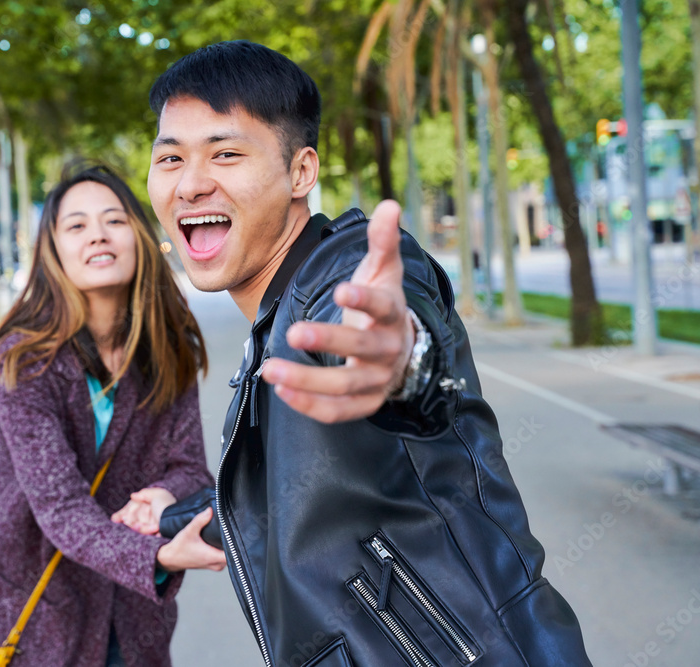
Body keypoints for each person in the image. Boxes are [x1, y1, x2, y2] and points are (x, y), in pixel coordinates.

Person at [139, 41, 592, 666]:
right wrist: (182, 514)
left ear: (301, 172)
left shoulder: (345, 275)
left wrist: (399, 364)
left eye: (226, 153)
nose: (190, 183)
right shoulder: (273, 321)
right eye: (170, 158)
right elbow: (311, 498)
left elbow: (397, 343)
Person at [0, 164, 226, 667]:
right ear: (54, 250)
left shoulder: (168, 347)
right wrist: (155, 556)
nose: (98, 236)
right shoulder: (23, 361)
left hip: (132, 617)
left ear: (139, 236)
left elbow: (191, 466)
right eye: (77, 226)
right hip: (34, 610)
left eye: (114, 220)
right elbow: (59, 506)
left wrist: (165, 496)